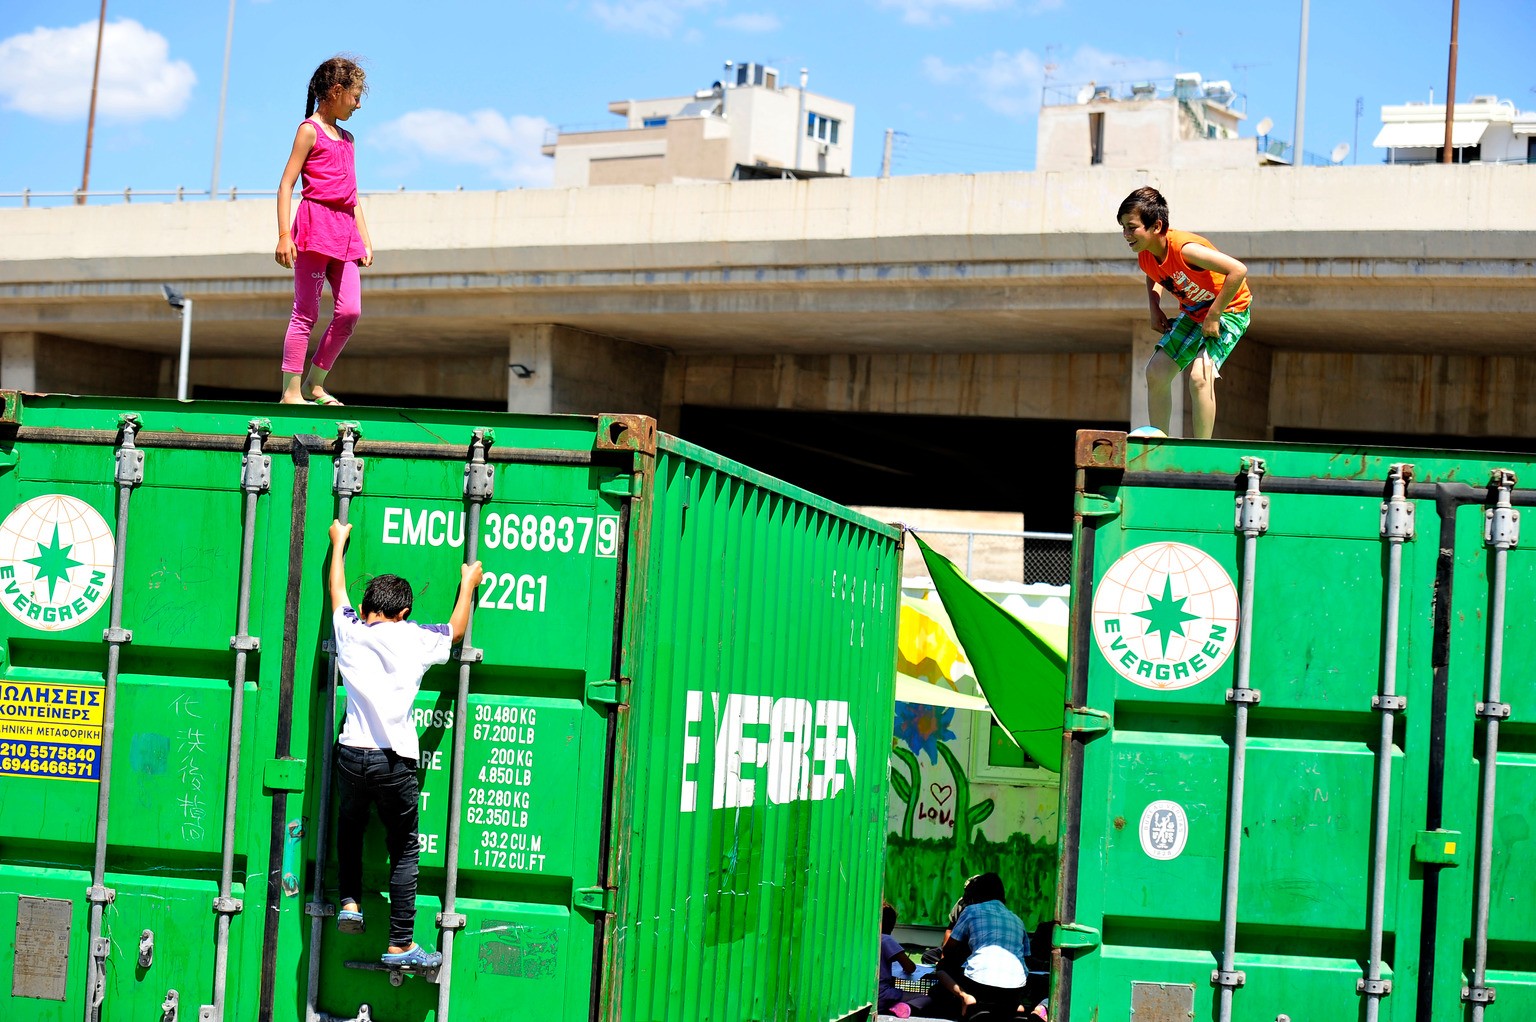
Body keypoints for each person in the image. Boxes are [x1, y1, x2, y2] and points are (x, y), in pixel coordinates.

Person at [326, 519, 482, 967]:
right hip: (394, 761)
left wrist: (339, 544)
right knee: (404, 847)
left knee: (350, 829)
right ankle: (400, 943)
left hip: (351, 755)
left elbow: (336, 592)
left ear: (366, 606)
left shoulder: (351, 632)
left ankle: (351, 903)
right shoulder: (415, 638)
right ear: (404, 613)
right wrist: (467, 584)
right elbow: (454, 630)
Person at [276, 56, 374, 406]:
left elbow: (353, 193)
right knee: (306, 312)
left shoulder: (348, 138)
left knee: (350, 312)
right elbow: (287, 184)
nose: (359, 103)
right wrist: (284, 235)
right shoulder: (308, 130)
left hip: (345, 235)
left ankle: (315, 384)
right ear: (337, 91)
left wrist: (364, 236)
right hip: (314, 228)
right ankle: (291, 391)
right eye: (356, 95)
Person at [1117, 186, 1252, 439]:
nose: (1126, 234)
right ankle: (1161, 443)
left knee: (1200, 376)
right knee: (1156, 371)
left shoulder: (1185, 249)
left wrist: (1214, 315)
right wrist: (1154, 306)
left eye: (1131, 227)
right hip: (1194, 311)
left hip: (1229, 308)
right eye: (1122, 227)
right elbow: (1153, 274)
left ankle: (1201, 450)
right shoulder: (1146, 255)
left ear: (1156, 226)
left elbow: (1237, 270)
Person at [932, 873, 1030, 1017]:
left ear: (976, 894)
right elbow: (1027, 957)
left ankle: (965, 997)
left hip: (979, 986)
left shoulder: (971, 910)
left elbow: (949, 948)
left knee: (942, 967)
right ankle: (1016, 1005)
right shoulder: (1017, 919)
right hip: (1015, 989)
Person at [878, 905, 932, 1018]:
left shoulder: (864, 938)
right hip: (883, 994)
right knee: (925, 998)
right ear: (891, 925)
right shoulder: (886, 939)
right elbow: (910, 967)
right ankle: (897, 1007)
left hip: (864, 995)